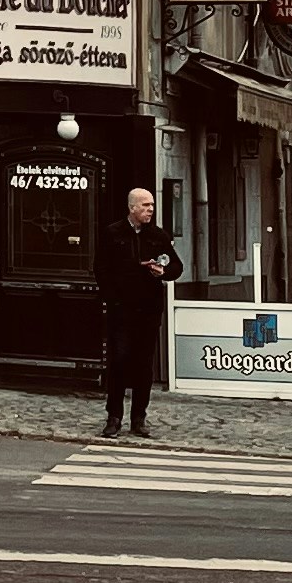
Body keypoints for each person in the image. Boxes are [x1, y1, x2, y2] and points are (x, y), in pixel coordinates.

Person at [98, 184, 182, 438]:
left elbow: (176, 266)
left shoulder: (157, 235)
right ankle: (114, 417)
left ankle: (139, 418)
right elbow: (101, 270)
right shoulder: (113, 233)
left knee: (144, 365)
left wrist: (163, 272)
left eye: (152, 205)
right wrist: (113, 297)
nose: (150, 210)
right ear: (132, 207)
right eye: (145, 206)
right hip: (122, 310)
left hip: (148, 310)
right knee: (119, 362)